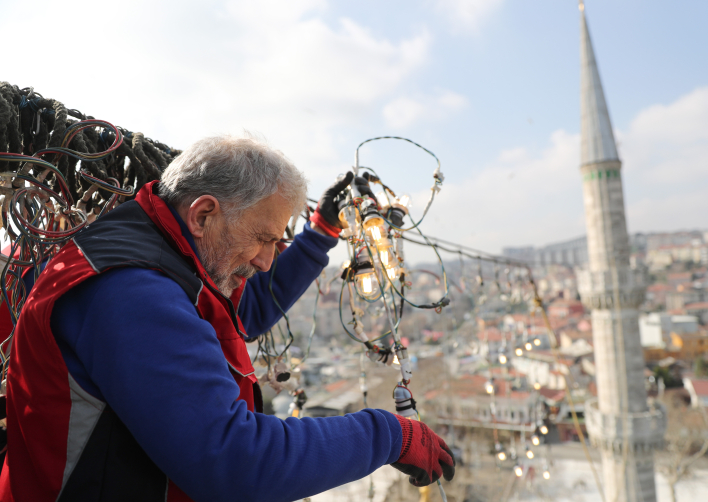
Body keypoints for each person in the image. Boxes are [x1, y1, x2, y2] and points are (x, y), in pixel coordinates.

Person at [0, 135, 454, 502]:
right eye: (262, 238)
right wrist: (388, 435)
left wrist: (320, 235)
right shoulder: (133, 294)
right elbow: (235, 463)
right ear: (203, 214)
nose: (264, 261)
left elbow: (243, 314)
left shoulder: (171, 255)